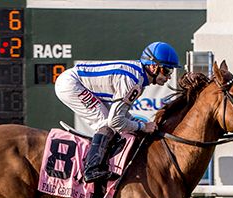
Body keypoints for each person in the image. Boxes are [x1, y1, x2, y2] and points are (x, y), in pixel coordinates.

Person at [55, 41, 180, 183]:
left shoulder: (137, 77)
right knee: (107, 125)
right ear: (153, 67)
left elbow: (122, 115)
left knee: (113, 123)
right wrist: (143, 126)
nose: (169, 77)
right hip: (71, 84)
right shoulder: (133, 81)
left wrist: (139, 123)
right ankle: (91, 169)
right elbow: (116, 121)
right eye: (167, 71)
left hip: (75, 81)